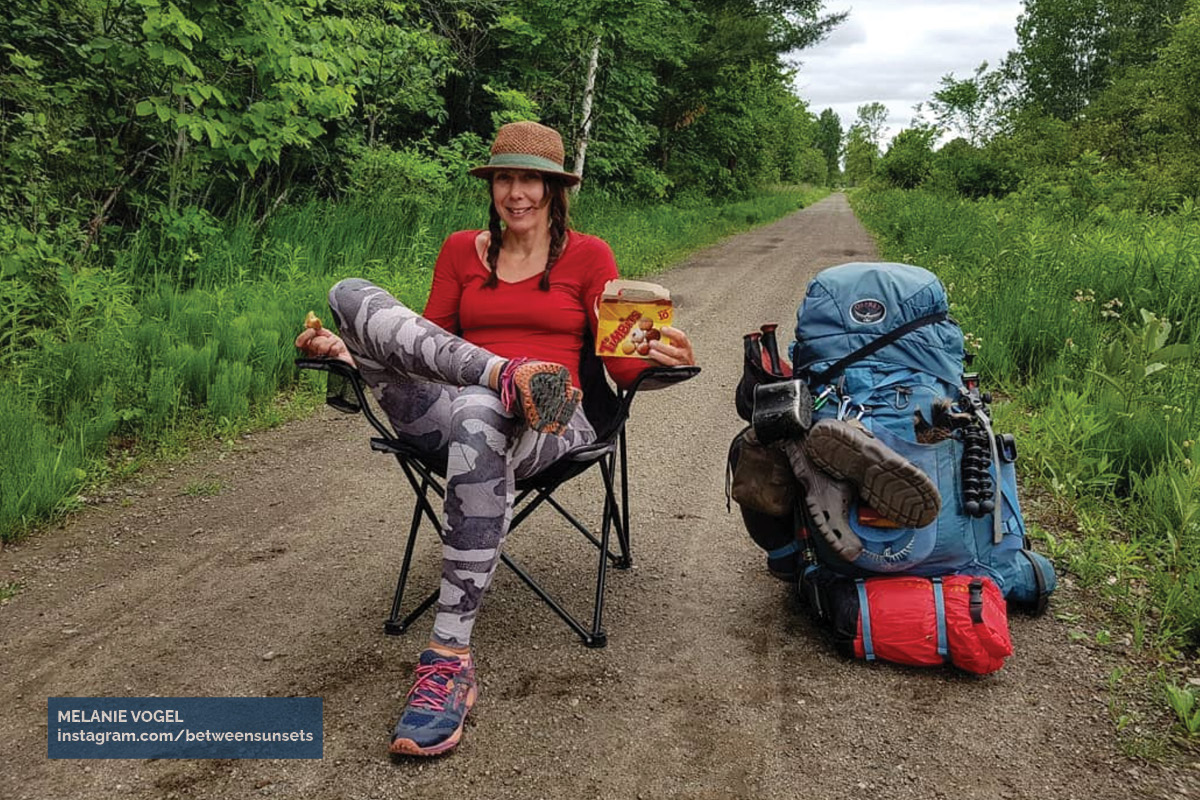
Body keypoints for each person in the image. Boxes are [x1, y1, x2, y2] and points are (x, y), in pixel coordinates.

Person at [295, 121, 696, 757]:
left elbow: (622, 366)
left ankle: (448, 659)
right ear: (491, 186)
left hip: (554, 422)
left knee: (481, 412)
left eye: (530, 180)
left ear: (554, 189)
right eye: (504, 178)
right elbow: (425, 346)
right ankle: (504, 375)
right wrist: (349, 353)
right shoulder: (461, 251)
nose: (516, 193)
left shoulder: (590, 257)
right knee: (348, 296)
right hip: (456, 405)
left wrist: (665, 361)